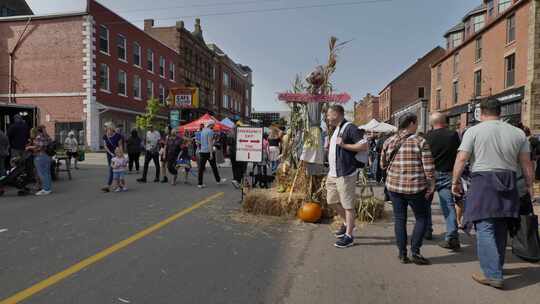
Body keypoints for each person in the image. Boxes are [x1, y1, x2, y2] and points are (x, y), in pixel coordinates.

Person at [452, 99, 532, 289]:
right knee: (501, 224)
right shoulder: (518, 133)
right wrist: (530, 185)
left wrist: (455, 182)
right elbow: (527, 163)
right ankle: (497, 266)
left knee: (485, 225)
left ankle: (493, 273)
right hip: (509, 179)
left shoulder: (473, 131)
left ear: (481, 112)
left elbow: (462, 158)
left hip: (484, 179)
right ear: (500, 111)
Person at [381, 114, 434, 265]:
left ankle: (402, 253)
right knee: (421, 218)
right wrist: (431, 185)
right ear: (411, 123)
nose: (417, 126)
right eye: (416, 123)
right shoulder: (420, 141)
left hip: (394, 187)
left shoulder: (389, 141)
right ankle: (415, 252)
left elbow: (382, 165)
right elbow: (429, 168)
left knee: (400, 219)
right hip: (415, 187)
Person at [326, 104, 368, 248]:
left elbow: (364, 146)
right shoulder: (337, 129)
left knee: (348, 205)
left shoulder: (350, 128)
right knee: (331, 201)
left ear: (336, 114)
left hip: (345, 172)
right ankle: (347, 223)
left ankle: (349, 236)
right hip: (333, 173)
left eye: (328, 115)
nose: (327, 118)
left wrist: (344, 145)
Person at [426, 112, 461, 249]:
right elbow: (459, 153)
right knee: (448, 206)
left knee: (425, 205)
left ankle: (427, 230)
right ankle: (452, 236)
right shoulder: (453, 135)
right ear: (444, 122)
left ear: (432, 123)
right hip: (447, 173)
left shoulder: (427, 137)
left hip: (429, 175)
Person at [25, 125, 53, 196]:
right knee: (47, 173)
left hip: (40, 156)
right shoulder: (46, 136)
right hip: (47, 156)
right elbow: (49, 142)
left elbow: (39, 147)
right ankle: (48, 188)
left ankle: (45, 189)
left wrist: (29, 147)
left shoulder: (38, 137)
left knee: (42, 174)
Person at [197, 122, 226, 188]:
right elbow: (210, 143)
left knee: (201, 168)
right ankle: (218, 180)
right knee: (214, 167)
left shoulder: (203, 131)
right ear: (211, 125)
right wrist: (211, 153)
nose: (214, 126)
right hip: (208, 151)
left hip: (202, 151)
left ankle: (200, 183)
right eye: (213, 125)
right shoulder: (210, 131)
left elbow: (201, 142)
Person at [102, 125, 124, 192]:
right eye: (106, 130)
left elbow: (120, 145)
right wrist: (110, 153)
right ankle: (119, 184)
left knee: (112, 169)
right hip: (109, 155)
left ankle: (108, 186)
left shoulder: (118, 136)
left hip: (117, 154)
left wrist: (122, 155)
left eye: (108, 130)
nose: (107, 131)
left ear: (111, 129)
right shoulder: (105, 136)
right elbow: (105, 146)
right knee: (114, 169)